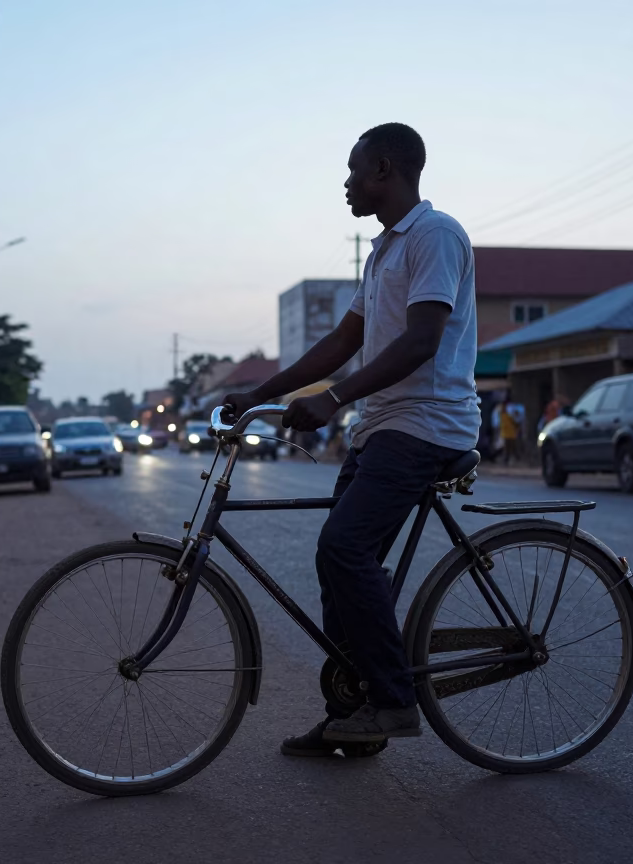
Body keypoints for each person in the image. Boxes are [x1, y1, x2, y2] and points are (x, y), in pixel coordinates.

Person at [224, 122, 480, 754]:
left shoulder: (435, 235)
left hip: (427, 423)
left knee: (345, 549)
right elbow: (343, 342)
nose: (346, 183)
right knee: (334, 560)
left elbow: (422, 341)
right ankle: (353, 712)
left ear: (385, 170)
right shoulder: (383, 252)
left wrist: (335, 398)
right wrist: (260, 395)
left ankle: (393, 702)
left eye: (353, 170)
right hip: (382, 427)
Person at [499, 399, 521, 465]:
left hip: (511, 434)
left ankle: (516, 459)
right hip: (507, 434)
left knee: (512, 447)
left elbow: (516, 422)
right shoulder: (503, 415)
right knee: (508, 448)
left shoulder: (508, 415)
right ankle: (507, 460)